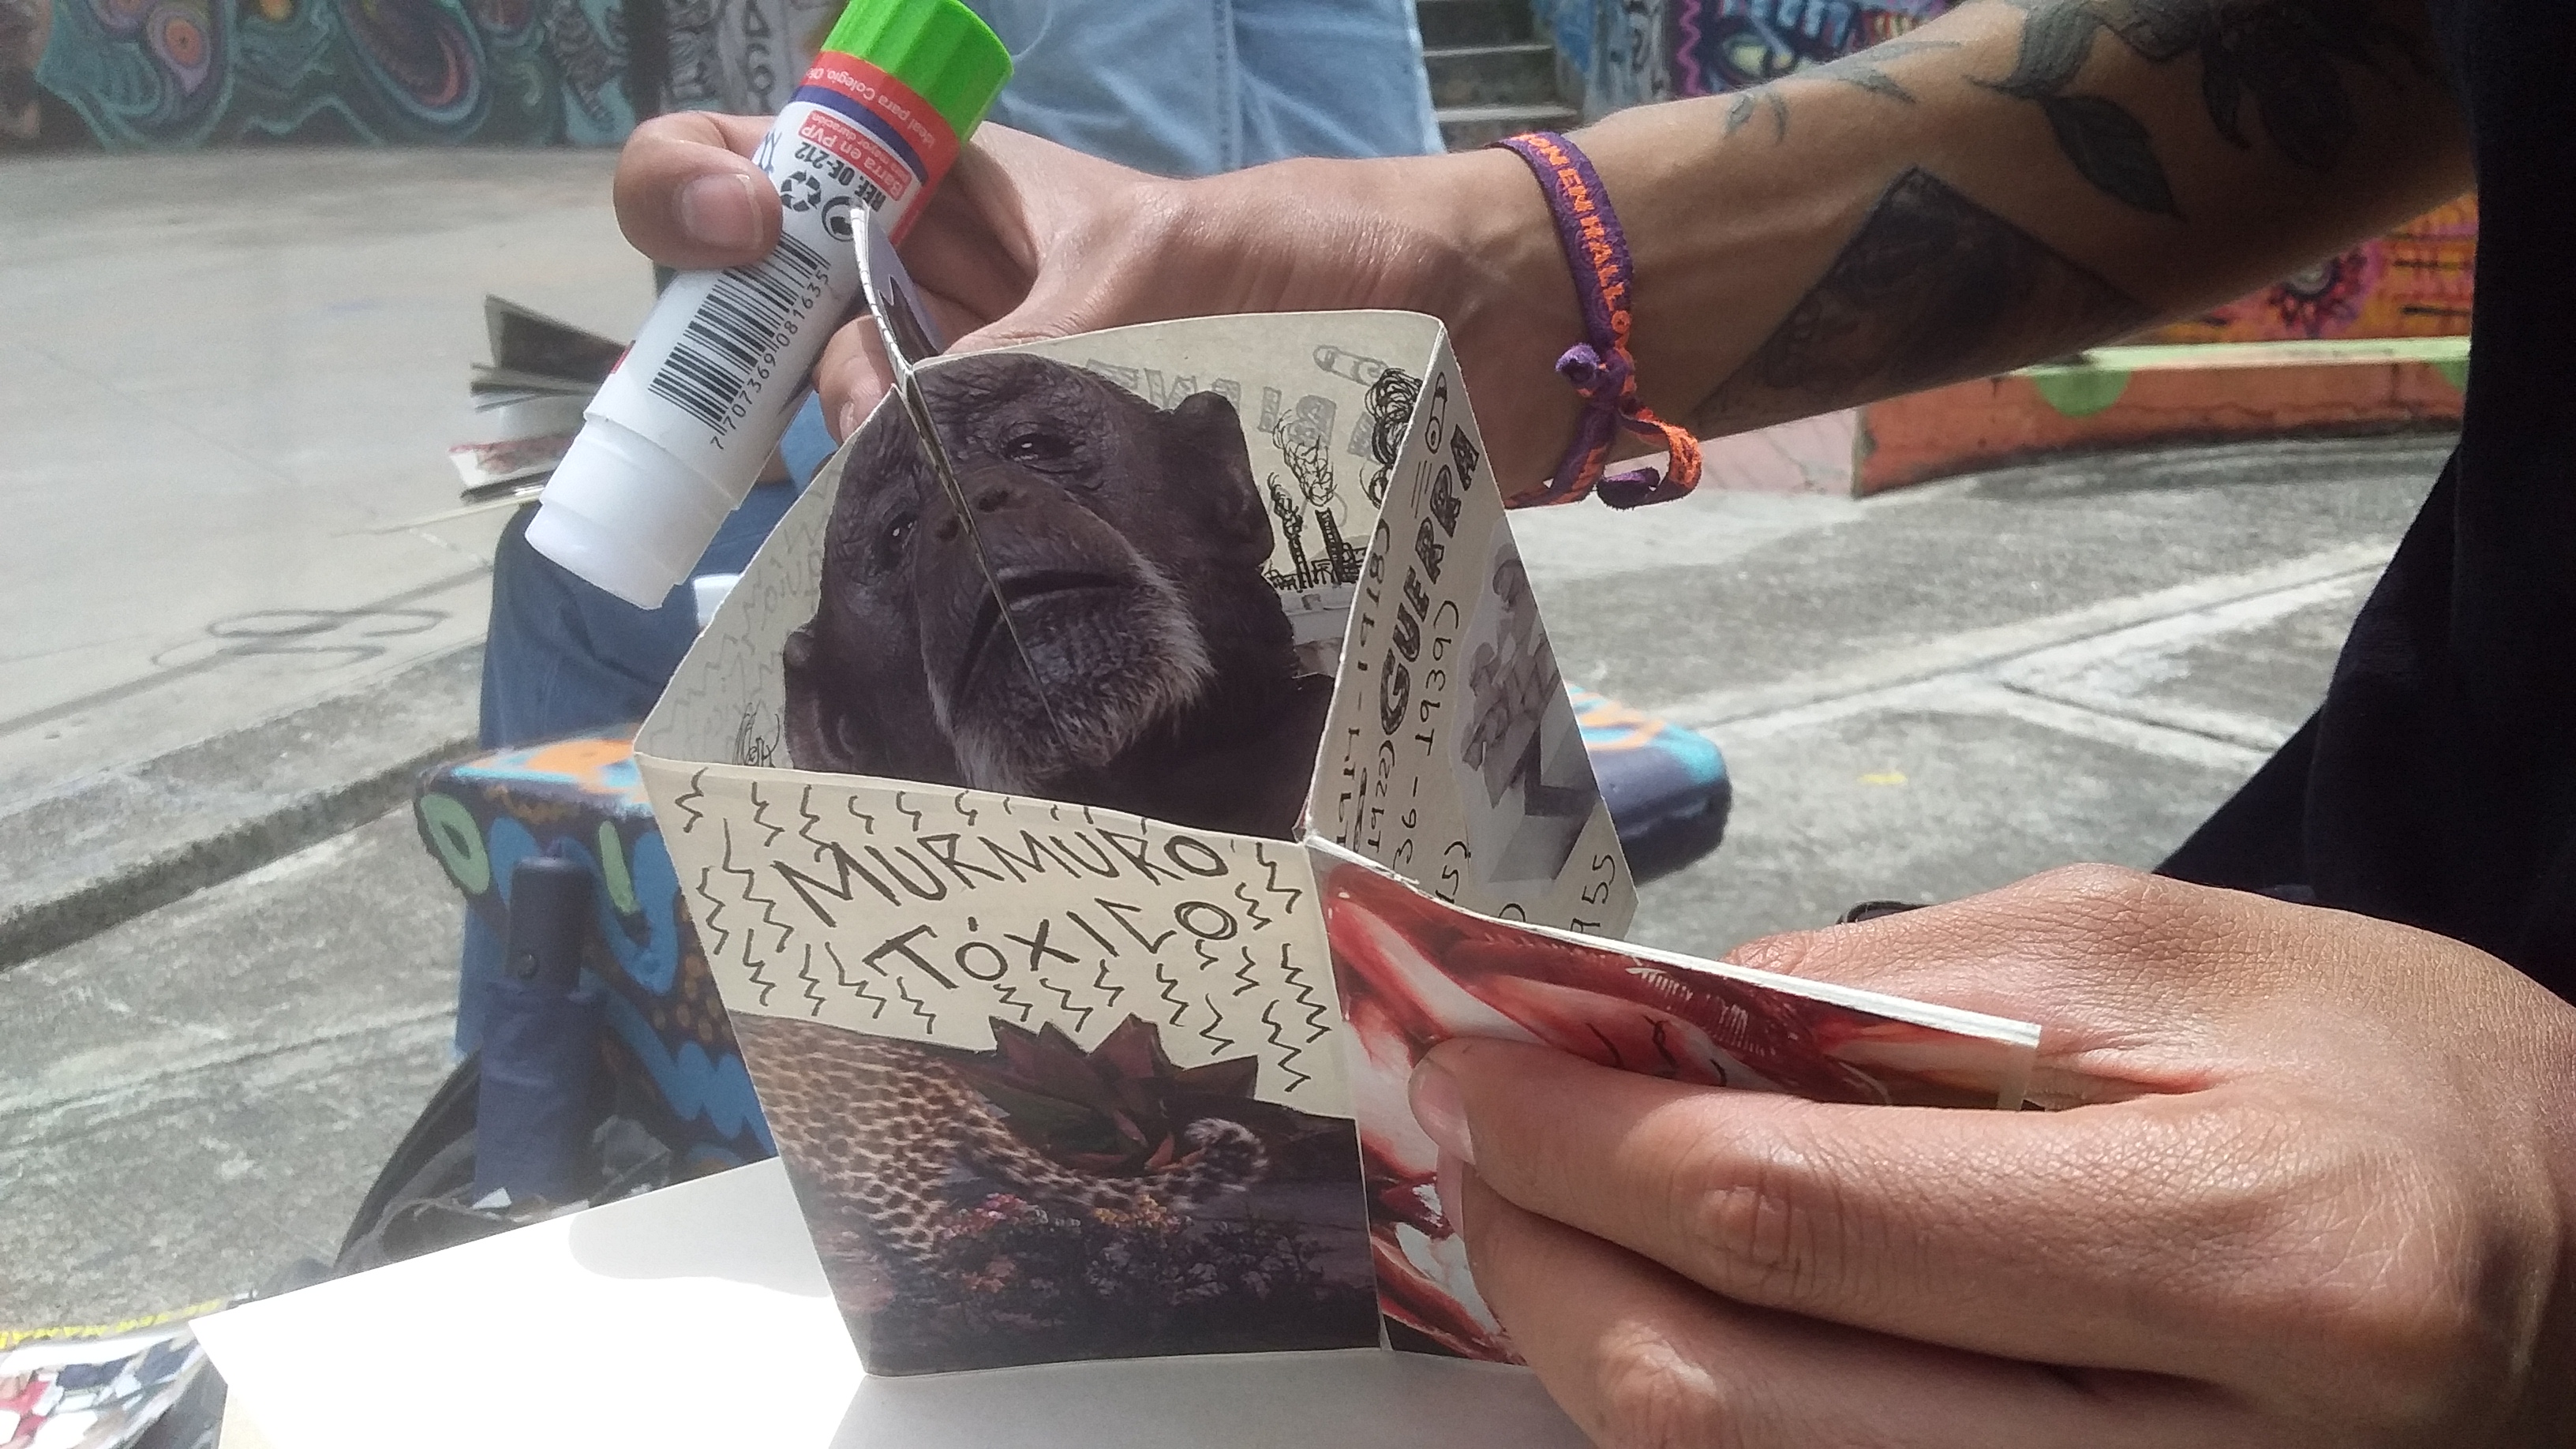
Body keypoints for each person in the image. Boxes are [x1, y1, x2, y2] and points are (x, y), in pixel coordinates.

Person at [612, 0, 2576, 1438]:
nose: (987, 520)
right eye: (901, 548)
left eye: (1043, 454)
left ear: (1223, 487)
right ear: (821, 704)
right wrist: (1489, 264)